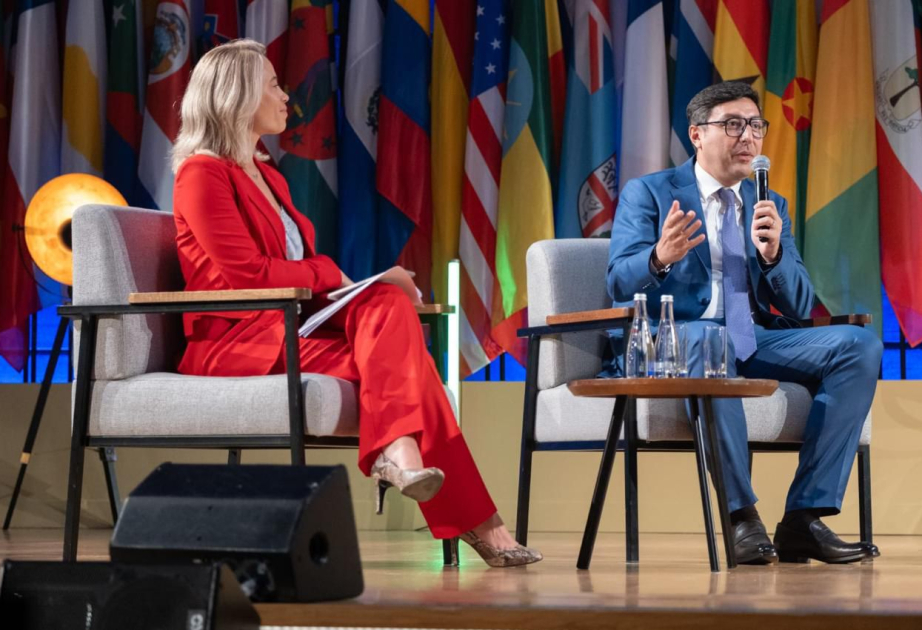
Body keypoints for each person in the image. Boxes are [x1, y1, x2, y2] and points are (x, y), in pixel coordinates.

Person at [170, 39, 541, 568]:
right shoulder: (201, 174)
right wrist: (334, 274)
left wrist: (361, 283)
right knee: (414, 372)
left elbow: (288, 269)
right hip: (238, 340)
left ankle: (405, 461)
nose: (286, 97)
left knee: (388, 309)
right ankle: (477, 521)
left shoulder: (266, 173)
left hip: (288, 328)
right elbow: (245, 276)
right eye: (273, 84)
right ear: (237, 96)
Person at [605, 81, 882, 565]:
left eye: (755, 126)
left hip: (751, 340)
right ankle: (741, 518)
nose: (748, 137)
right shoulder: (649, 193)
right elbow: (616, 282)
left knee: (858, 344)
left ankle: (804, 518)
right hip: (678, 342)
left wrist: (773, 254)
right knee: (707, 341)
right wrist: (659, 257)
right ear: (697, 134)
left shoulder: (767, 201)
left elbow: (799, 304)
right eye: (733, 125)